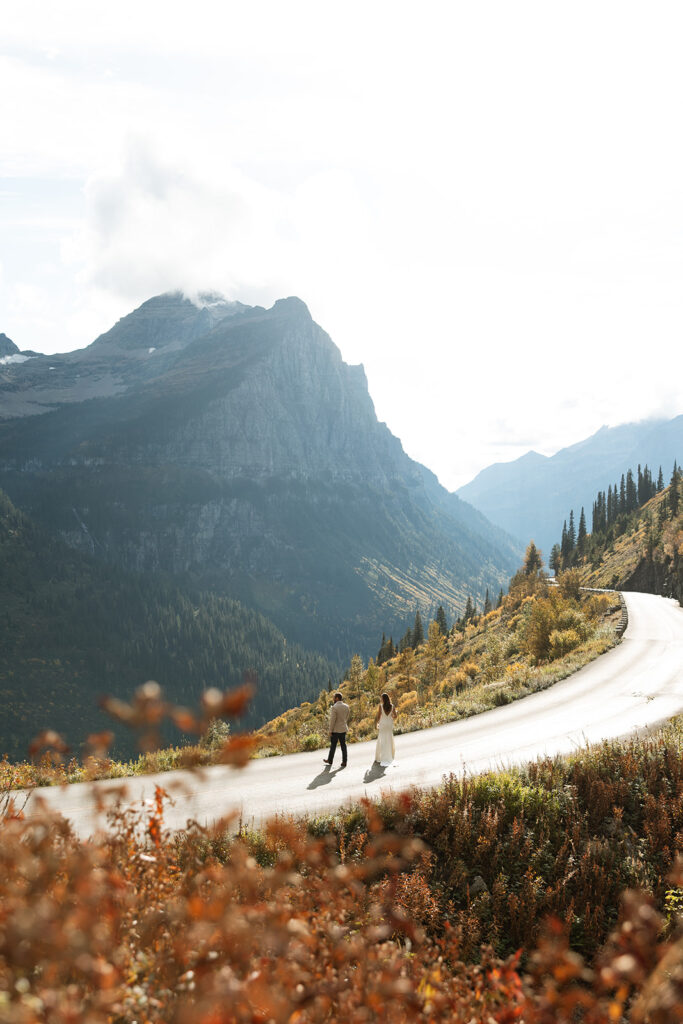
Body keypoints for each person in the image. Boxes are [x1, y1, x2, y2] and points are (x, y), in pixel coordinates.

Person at [323, 691, 350, 768]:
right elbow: (347, 717)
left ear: (337, 698)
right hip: (343, 728)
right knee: (343, 746)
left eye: (334, 697)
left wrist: (330, 730)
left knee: (333, 746)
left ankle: (330, 760)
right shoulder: (346, 706)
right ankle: (344, 761)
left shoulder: (334, 707)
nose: (333, 699)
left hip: (335, 729)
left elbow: (332, 720)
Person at [375, 692, 397, 767]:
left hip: (383, 724)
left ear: (383, 699)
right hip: (389, 724)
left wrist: (376, 724)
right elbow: (395, 716)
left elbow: (379, 716)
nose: (381, 699)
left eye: (381, 698)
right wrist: (391, 717)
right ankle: (390, 755)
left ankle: (381, 757)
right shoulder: (392, 706)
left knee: (382, 740)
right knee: (389, 739)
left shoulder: (381, 706)